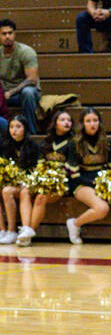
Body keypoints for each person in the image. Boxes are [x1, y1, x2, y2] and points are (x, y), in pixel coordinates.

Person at [12, 109, 72, 246]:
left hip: (62, 183)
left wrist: (55, 177)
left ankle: (27, 233)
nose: (66, 122)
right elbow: (39, 164)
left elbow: (71, 169)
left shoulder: (73, 143)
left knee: (41, 197)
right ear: (55, 123)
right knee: (25, 191)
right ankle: (26, 229)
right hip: (43, 181)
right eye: (62, 120)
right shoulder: (46, 142)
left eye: (69, 120)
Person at [63, 107, 111, 244]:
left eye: (95, 120)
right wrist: (94, 184)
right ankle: (75, 224)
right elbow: (74, 174)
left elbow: (110, 169)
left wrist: (108, 184)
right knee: (102, 208)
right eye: (88, 121)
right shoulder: (74, 144)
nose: (92, 124)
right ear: (82, 124)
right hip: (80, 183)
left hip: (99, 184)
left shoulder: (107, 143)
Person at [0, 116, 42, 245]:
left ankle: (14, 230)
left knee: (8, 191)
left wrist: (27, 180)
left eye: (18, 127)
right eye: (12, 127)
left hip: (29, 183)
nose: (14, 130)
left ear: (25, 129)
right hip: (13, 183)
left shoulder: (33, 146)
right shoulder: (5, 146)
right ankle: (4, 230)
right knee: (6, 190)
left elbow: (38, 169)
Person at [0, 20, 42, 135]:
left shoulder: (26, 52)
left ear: (15, 34)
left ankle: (31, 133)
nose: (7, 36)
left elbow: (32, 80)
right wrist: (3, 91)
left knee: (28, 92)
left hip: (23, 93)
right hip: (4, 94)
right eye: (4, 34)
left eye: (10, 33)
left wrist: (10, 92)